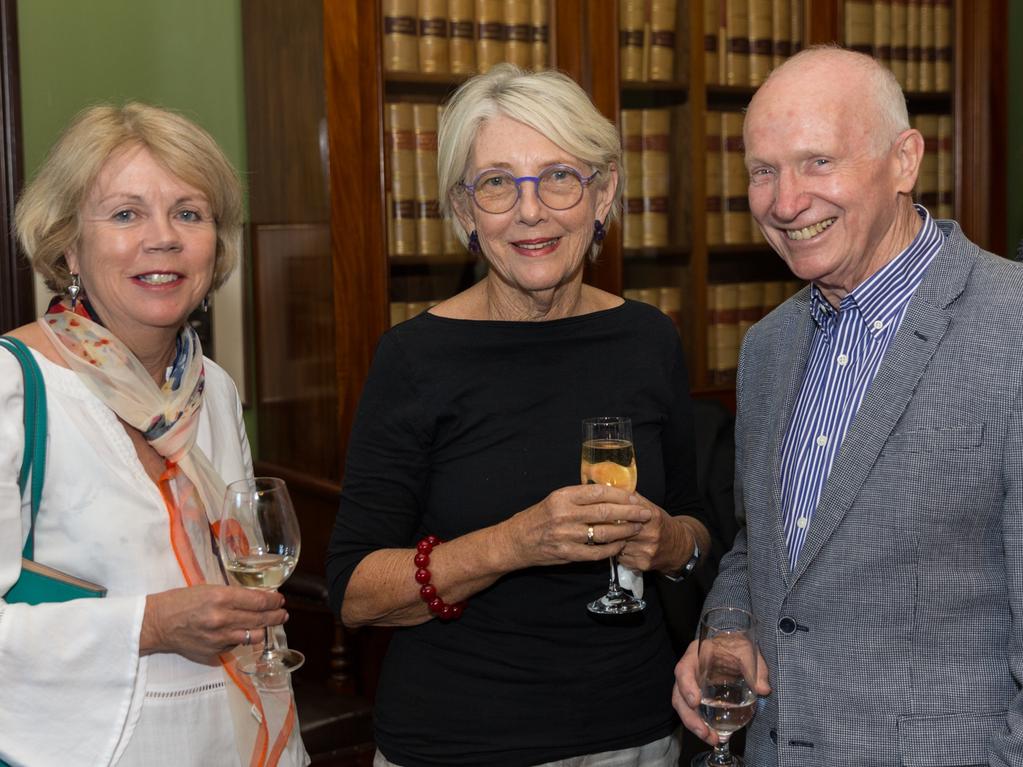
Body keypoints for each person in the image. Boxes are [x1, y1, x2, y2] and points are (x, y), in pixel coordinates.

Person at [327, 64, 710, 767]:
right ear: (466, 212)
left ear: (603, 196)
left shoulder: (649, 338)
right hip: (457, 742)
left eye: (559, 176)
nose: (530, 211)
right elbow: (355, 593)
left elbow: (693, 523)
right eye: (497, 183)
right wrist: (512, 543)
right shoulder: (414, 358)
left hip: (637, 733)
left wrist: (670, 544)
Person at [672, 46, 1023, 765]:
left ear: (903, 161)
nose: (785, 201)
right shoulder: (769, 347)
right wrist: (729, 629)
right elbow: (760, 544)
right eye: (762, 171)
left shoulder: (1011, 327)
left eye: (817, 162)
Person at [0, 103, 309, 767]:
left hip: (229, 739)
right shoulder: (12, 387)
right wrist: (149, 625)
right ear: (67, 244)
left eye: (188, 213)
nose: (163, 237)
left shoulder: (213, 390)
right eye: (124, 213)